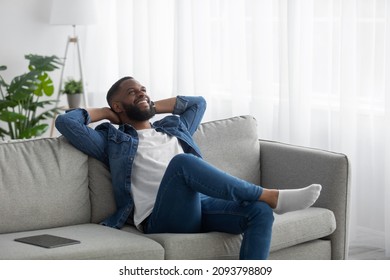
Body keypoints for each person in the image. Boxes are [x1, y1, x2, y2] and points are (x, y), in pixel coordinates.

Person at [55, 76, 321, 260]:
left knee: (259, 212)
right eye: (132, 93)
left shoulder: (174, 128)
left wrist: (148, 106)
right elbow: (67, 123)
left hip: (200, 207)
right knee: (183, 163)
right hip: (159, 217)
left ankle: (264, 203)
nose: (142, 93)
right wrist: (106, 112)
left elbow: (198, 103)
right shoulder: (112, 141)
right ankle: (269, 195)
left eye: (143, 89)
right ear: (117, 105)